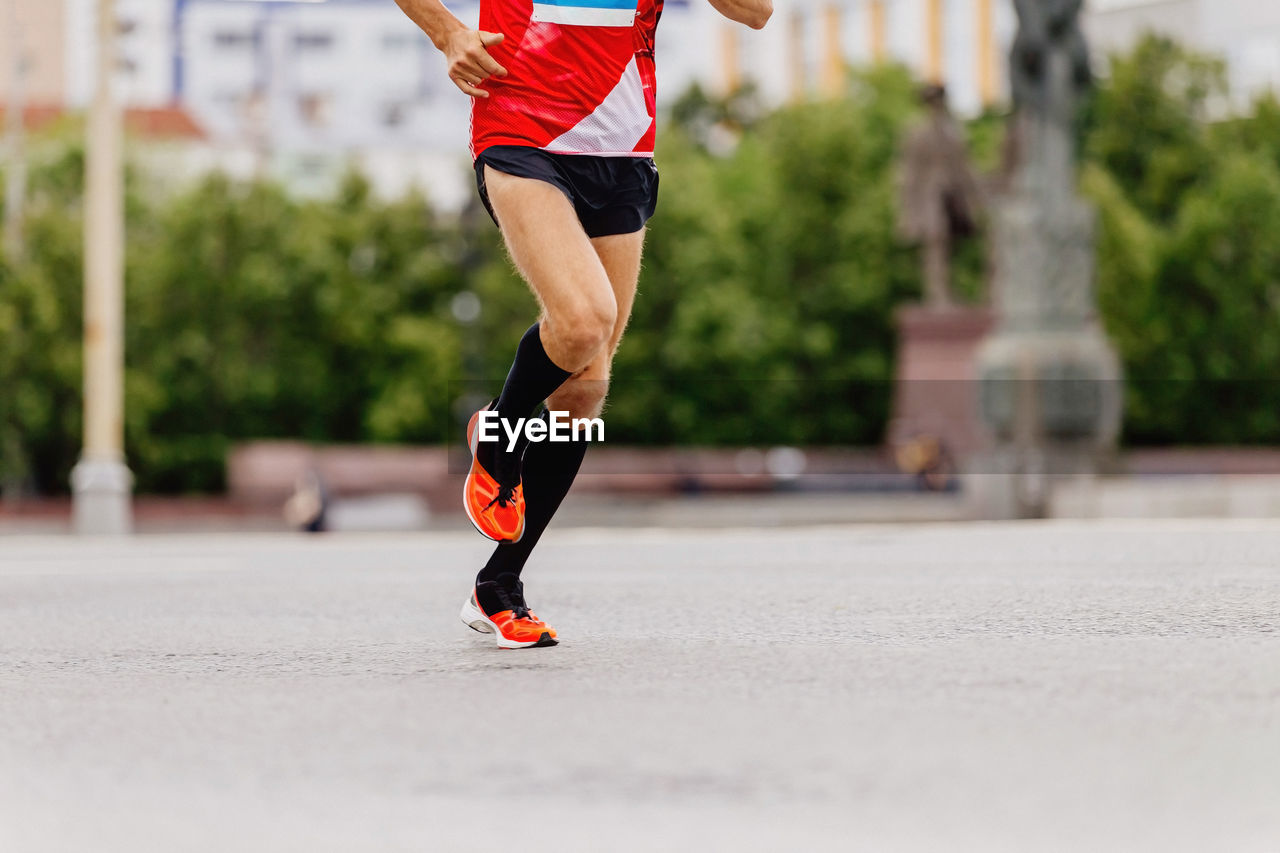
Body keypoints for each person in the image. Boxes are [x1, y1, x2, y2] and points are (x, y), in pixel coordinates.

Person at [395, 0, 772, 648]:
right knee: (582, 319)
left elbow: (758, 12)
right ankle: (499, 429)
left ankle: (499, 584)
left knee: (585, 388)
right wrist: (447, 31)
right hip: (520, 129)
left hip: (621, 148)